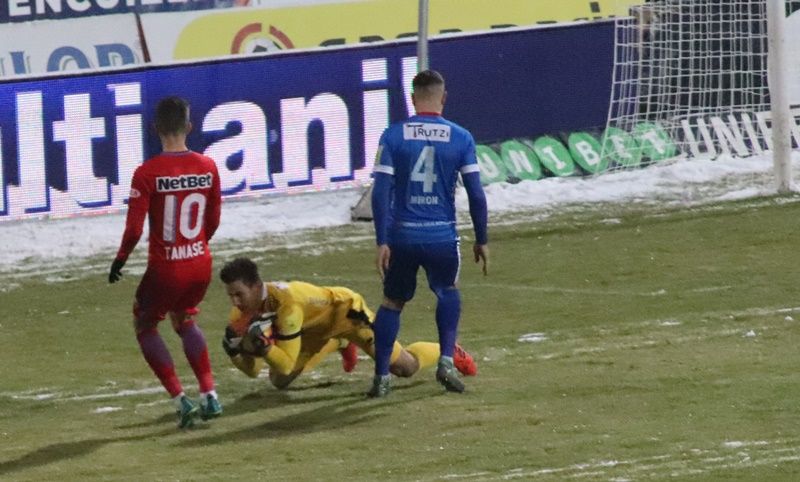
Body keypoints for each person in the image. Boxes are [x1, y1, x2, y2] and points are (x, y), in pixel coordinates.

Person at [369, 69, 489, 397]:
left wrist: (381, 241)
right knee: (448, 290)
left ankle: (381, 377)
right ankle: (446, 361)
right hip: (441, 236)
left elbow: (380, 193)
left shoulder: (393, 136)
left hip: (402, 236)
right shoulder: (461, 137)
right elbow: (476, 194)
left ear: (412, 99)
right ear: (444, 98)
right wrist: (482, 238)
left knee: (392, 302)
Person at [108, 96, 222, 428]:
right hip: (200, 262)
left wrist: (120, 259)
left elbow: (134, 229)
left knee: (145, 324)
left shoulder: (147, 173)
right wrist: (196, 246)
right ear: (190, 126)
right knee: (185, 318)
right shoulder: (208, 166)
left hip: (166, 268)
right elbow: (213, 218)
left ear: (154, 128)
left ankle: (180, 400)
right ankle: (210, 394)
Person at [218, 257, 476, 390]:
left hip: (346, 313)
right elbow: (253, 371)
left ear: (256, 286)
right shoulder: (240, 313)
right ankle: (337, 342)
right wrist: (235, 352)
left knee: (405, 368)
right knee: (278, 382)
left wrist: (263, 348)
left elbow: (285, 362)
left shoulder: (288, 305)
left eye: (239, 294)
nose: (235, 301)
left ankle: (449, 350)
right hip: (312, 328)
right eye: (230, 295)